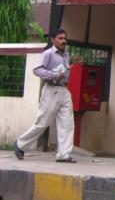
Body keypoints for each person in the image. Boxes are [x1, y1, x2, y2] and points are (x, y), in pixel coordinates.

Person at [14, 28, 75, 163]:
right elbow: (37, 69)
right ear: (53, 40)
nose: (63, 40)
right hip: (51, 90)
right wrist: (54, 75)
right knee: (43, 123)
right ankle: (20, 144)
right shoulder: (48, 54)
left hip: (64, 91)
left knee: (67, 123)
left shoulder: (66, 54)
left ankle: (63, 154)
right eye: (60, 38)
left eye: (64, 38)